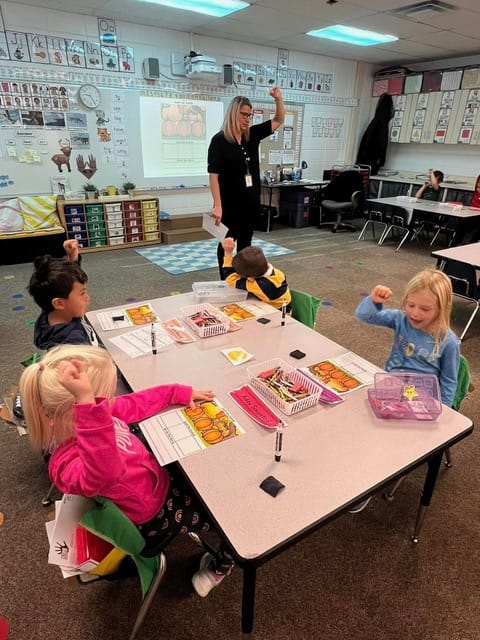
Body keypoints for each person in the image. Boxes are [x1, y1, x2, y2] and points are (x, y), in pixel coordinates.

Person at [18, 344, 234, 597]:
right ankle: (220, 567)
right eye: (102, 401)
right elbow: (105, 471)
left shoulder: (92, 416)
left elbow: (133, 404)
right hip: (154, 513)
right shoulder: (66, 463)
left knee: (216, 473)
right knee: (229, 522)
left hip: (155, 480)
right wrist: (90, 407)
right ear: (76, 413)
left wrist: (177, 392)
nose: (108, 406)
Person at [355, 268, 460, 408]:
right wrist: (373, 300)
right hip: (391, 387)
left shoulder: (449, 342)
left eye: (425, 309)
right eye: (411, 305)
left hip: (421, 399)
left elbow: (449, 381)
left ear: (441, 309)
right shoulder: (400, 319)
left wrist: (444, 409)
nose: (415, 313)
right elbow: (364, 316)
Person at [208, 88, 285, 278]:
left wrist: (278, 100)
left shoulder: (252, 135)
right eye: (243, 115)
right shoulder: (219, 141)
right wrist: (217, 205)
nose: (247, 119)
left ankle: (243, 280)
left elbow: (278, 120)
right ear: (233, 113)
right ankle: (225, 278)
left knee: (246, 245)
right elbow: (213, 175)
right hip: (229, 205)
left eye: (249, 116)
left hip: (250, 204)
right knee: (227, 244)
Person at [28, 240, 97, 350]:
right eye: (82, 293)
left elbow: (66, 284)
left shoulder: (49, 311)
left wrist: (73, 260)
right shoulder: (73, 343)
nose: (87, 297)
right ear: (59, 303)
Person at [221, 237, 291, 310]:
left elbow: (230, 278)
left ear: (250, 277)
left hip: (279, 314)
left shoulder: (260, 285)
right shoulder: (276, 272)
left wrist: (228, 253)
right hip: (284, 305)